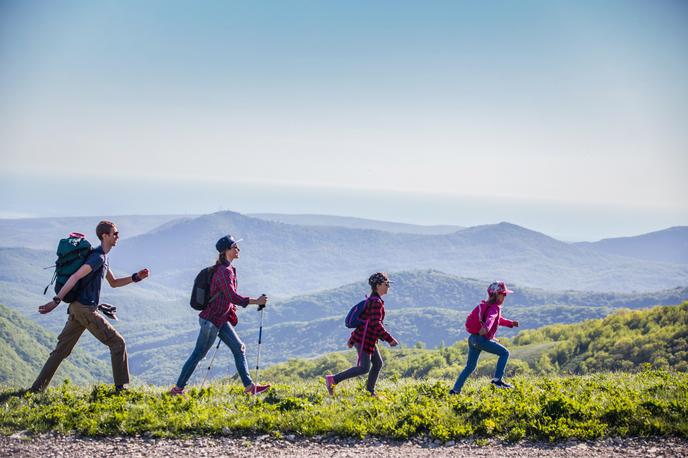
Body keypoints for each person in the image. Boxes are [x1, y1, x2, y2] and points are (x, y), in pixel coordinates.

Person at [30, 221, 149, 392]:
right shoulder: (97, 257)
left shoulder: (102, 257)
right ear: (104, 236)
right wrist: (55, 301)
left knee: (60, 351)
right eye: (115, 233)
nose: (118, 236)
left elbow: (114, 283)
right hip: (85, 310)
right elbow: (75, 277)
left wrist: (136, 277)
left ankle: (36, 389)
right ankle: (120, 389)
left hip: (77, 309)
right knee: (118, 343)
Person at [170, 235, 270, 396]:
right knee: (198, 354)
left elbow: (227, 297)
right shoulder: (224, 271)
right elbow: (232, 296)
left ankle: (250, 387)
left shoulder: (227, 269)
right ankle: (177, 390)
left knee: (239, 348)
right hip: (211, 321)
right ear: (227, 250)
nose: (238, 249)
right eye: (235, 246)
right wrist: (256, 301)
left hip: (219, 319)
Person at [325, 272, 399, 397]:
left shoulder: (373, 300)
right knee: (364, 368)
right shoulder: (376, 302)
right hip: (364, 339)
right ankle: (333, 379)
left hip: (367, 338)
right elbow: (376, 324)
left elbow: (370, 323)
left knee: (378, 363)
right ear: (378, 285)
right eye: (386, 284)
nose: (388, 287)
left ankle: (370, 392)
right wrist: (389, 339)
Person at [450, 281, 519, 394]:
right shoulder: (495, 308)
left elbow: (498, 320)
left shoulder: (485, 306)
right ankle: (497, 380)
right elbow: (491, 319)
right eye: (504, 294)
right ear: (497, 295)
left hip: (473, 339)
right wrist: (486, 328)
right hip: (482, 340)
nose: (505, 296)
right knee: (504, 353)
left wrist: (511, 323)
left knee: (470, 366)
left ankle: (455, 390)